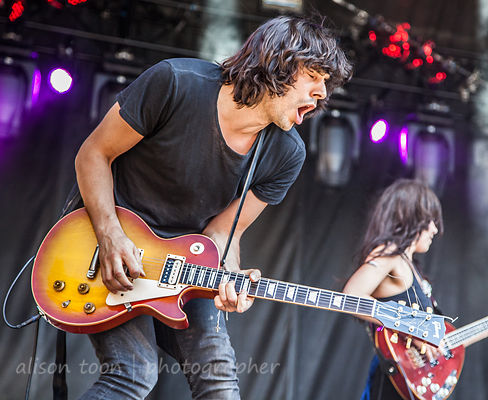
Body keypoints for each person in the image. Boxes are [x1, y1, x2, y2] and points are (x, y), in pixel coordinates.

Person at [69, 15, 352, 399]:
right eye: (315, 76)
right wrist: (110, 236)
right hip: (105, 247)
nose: (322, 93)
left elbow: (223, 231)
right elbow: (93, 154)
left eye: (327, 85)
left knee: (219, 382)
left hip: (185, 266)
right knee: (133, 374)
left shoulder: (286, 153)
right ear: (280, 62)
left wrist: (229, 274)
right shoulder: (175, 82)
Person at [342, 179, 488, 400]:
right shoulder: (390, 253)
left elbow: (439, 345)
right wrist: (410, 330)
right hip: (393, 384)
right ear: (410, 216)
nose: (435, 229)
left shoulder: (412, 267)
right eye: (430, 220)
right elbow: (350, 297)